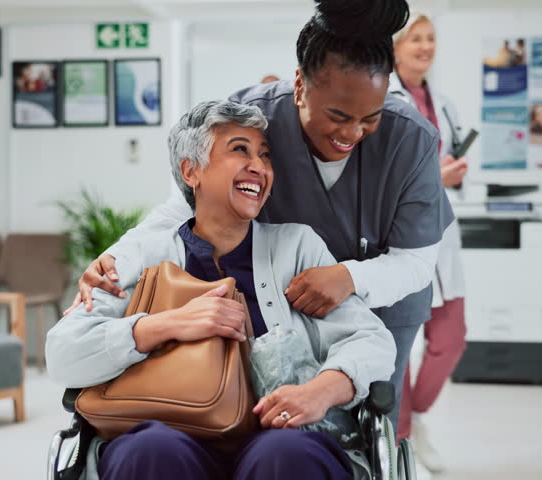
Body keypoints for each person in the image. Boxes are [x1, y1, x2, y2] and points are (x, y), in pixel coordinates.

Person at [66, 0, 455, 433]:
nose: (352, 134)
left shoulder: (411, 139)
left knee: (366, 417)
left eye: (370, 119)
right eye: (337, 116)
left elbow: (417, 260)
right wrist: (114, 262)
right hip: (283, 305)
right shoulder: (255, 118)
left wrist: (347, 278)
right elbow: (190, 204)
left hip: (383, 303)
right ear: (301, 88)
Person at [47, 100, 396, 479]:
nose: (259, 167)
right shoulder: (139, 255)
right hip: (168, 432)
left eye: (264, 155)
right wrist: (164, 325)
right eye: (239, 150)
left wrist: (322, 391)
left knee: (286, 453)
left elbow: (370, 339)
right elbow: (63, 351)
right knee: (149, 451)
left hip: (278, 433)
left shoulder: (297, 247)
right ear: (190, 171)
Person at [389, 13, 468, 473]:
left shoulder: (445, 103)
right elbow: (388, 176)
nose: (425, 46)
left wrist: (453, 177)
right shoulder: (385, 99)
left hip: (442, 236)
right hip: (401, 236)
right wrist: (436, 177)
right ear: (395, 47)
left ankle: (415, 420)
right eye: (415, 38)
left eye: (430, 38)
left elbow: (448, 162)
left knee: (450, 339)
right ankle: (401, 439)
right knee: (399, 344)